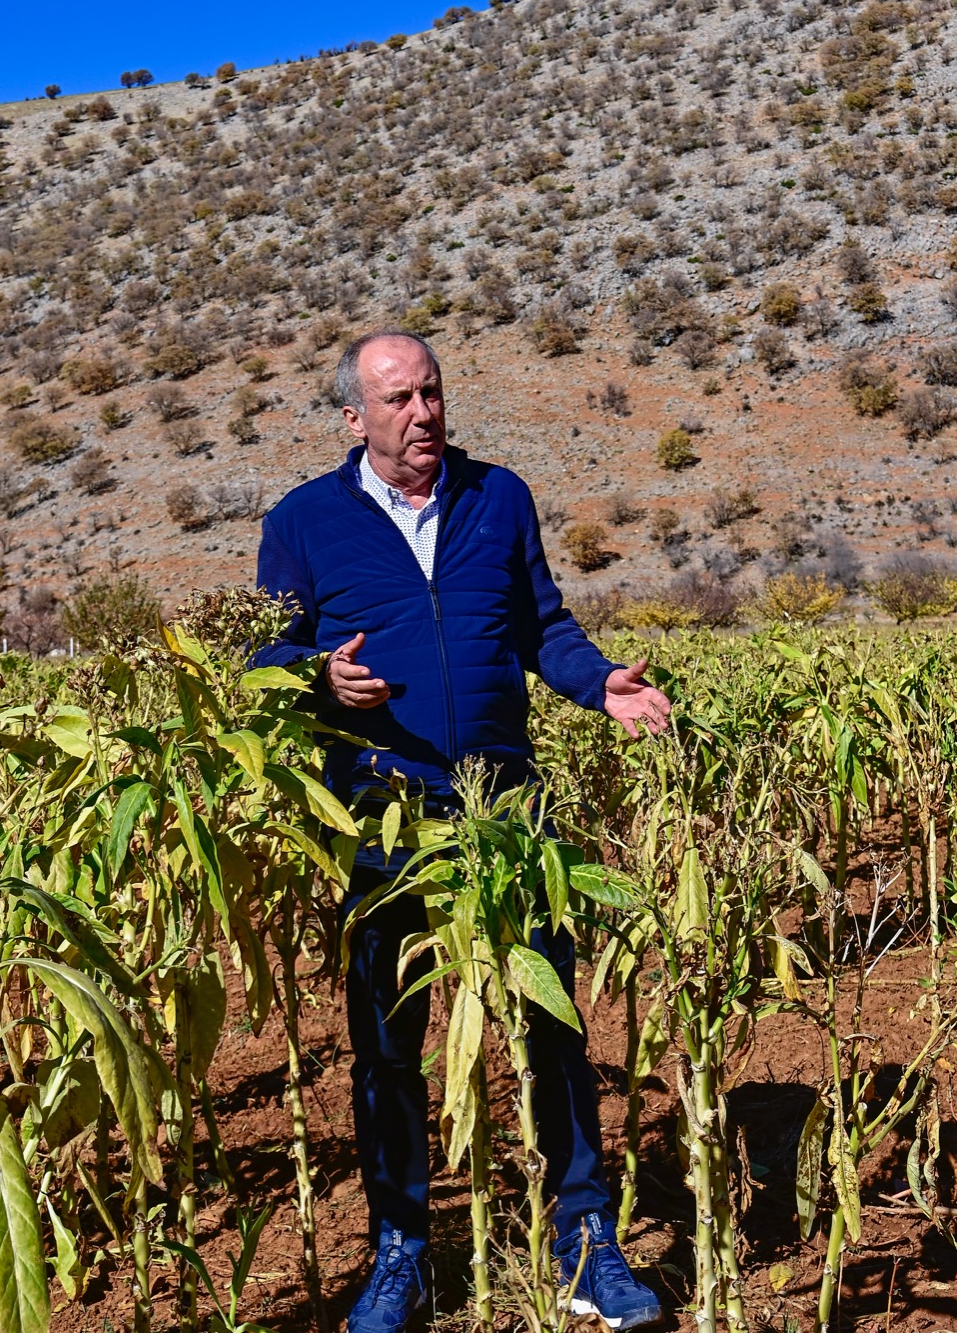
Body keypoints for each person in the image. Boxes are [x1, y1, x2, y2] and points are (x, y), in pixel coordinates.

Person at [254, 330, 672, 1332]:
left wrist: (599, 683)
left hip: (505, 809)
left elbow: (542, 629)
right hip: (383, 819)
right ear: (354, 415)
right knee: (387, 1045)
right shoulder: (303, 521)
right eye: (399, 398)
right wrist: (319, 675)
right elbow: (266, 650)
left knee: (552, 1024)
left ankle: (586, 1245)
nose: (423, 413)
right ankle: (402, 1253)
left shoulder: (499, 496)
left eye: (432, 392)